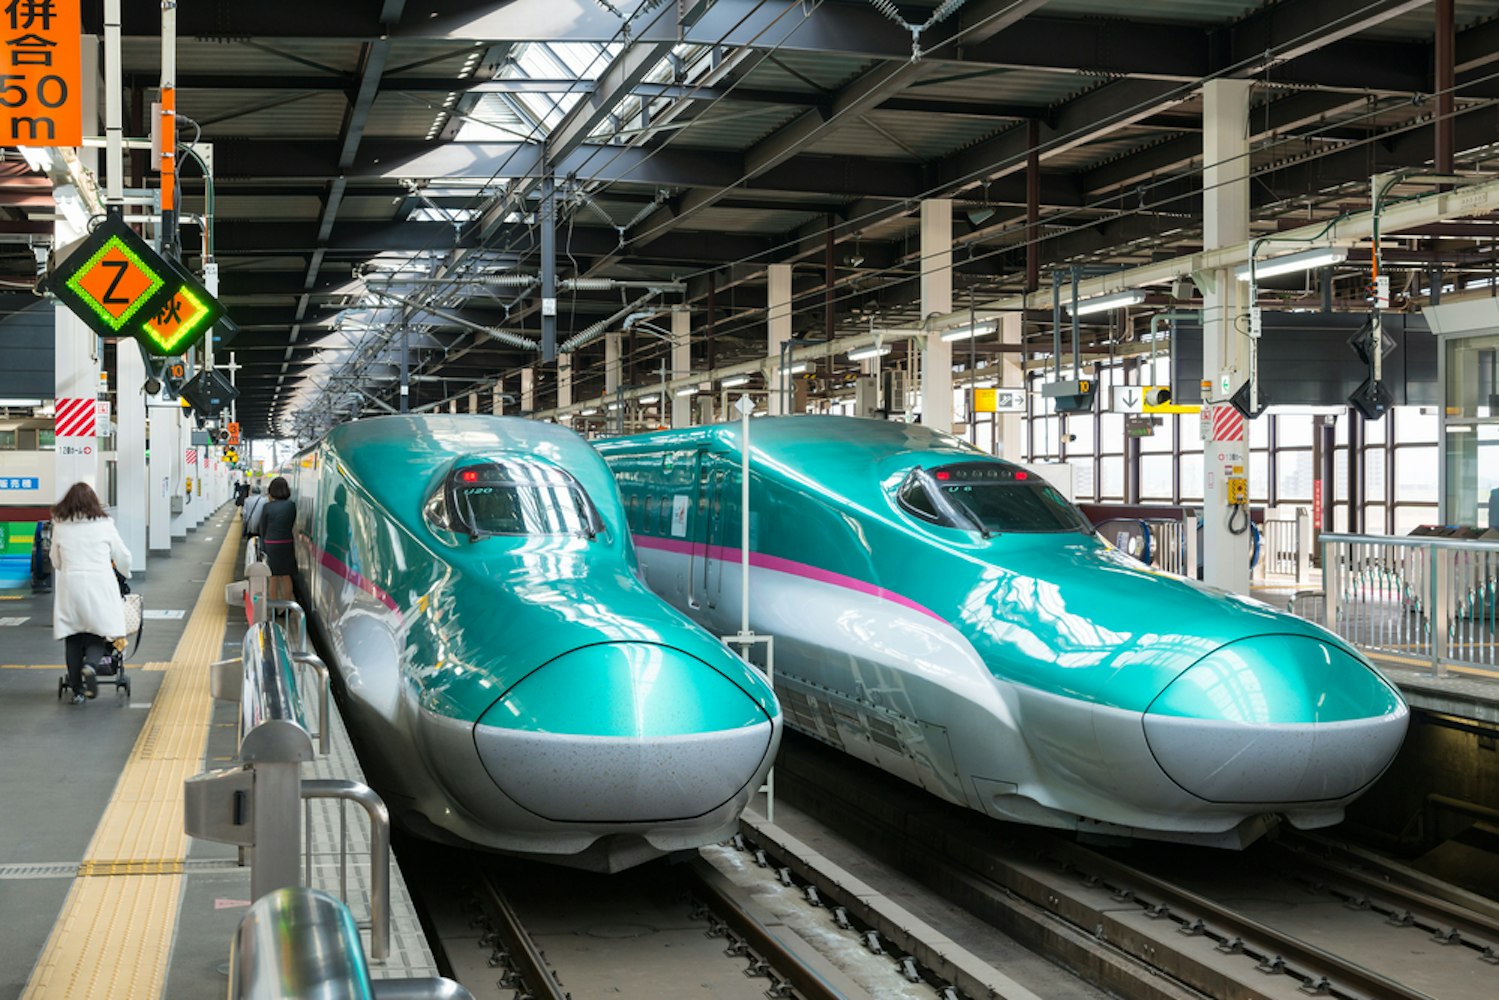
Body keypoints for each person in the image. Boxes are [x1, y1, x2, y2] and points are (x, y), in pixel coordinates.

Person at [50, 482, 132, 705]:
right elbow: (123, 556)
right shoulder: (105, 524)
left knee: (73, 637)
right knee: (99, 631)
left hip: (71, 585)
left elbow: (55, 560)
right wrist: (126, 573)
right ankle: (91, 666)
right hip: (100, 583)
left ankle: (77, 692)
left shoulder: (60, 525)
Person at [260, 476, 297, 600]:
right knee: (286, 576)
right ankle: (287, 607)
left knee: (273, 577)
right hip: (287, 543)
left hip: (271, 544)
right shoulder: (291, 506)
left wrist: (262, 546)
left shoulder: (267, 507)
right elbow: (290, 524)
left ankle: (275, 607)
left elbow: (262, 529)